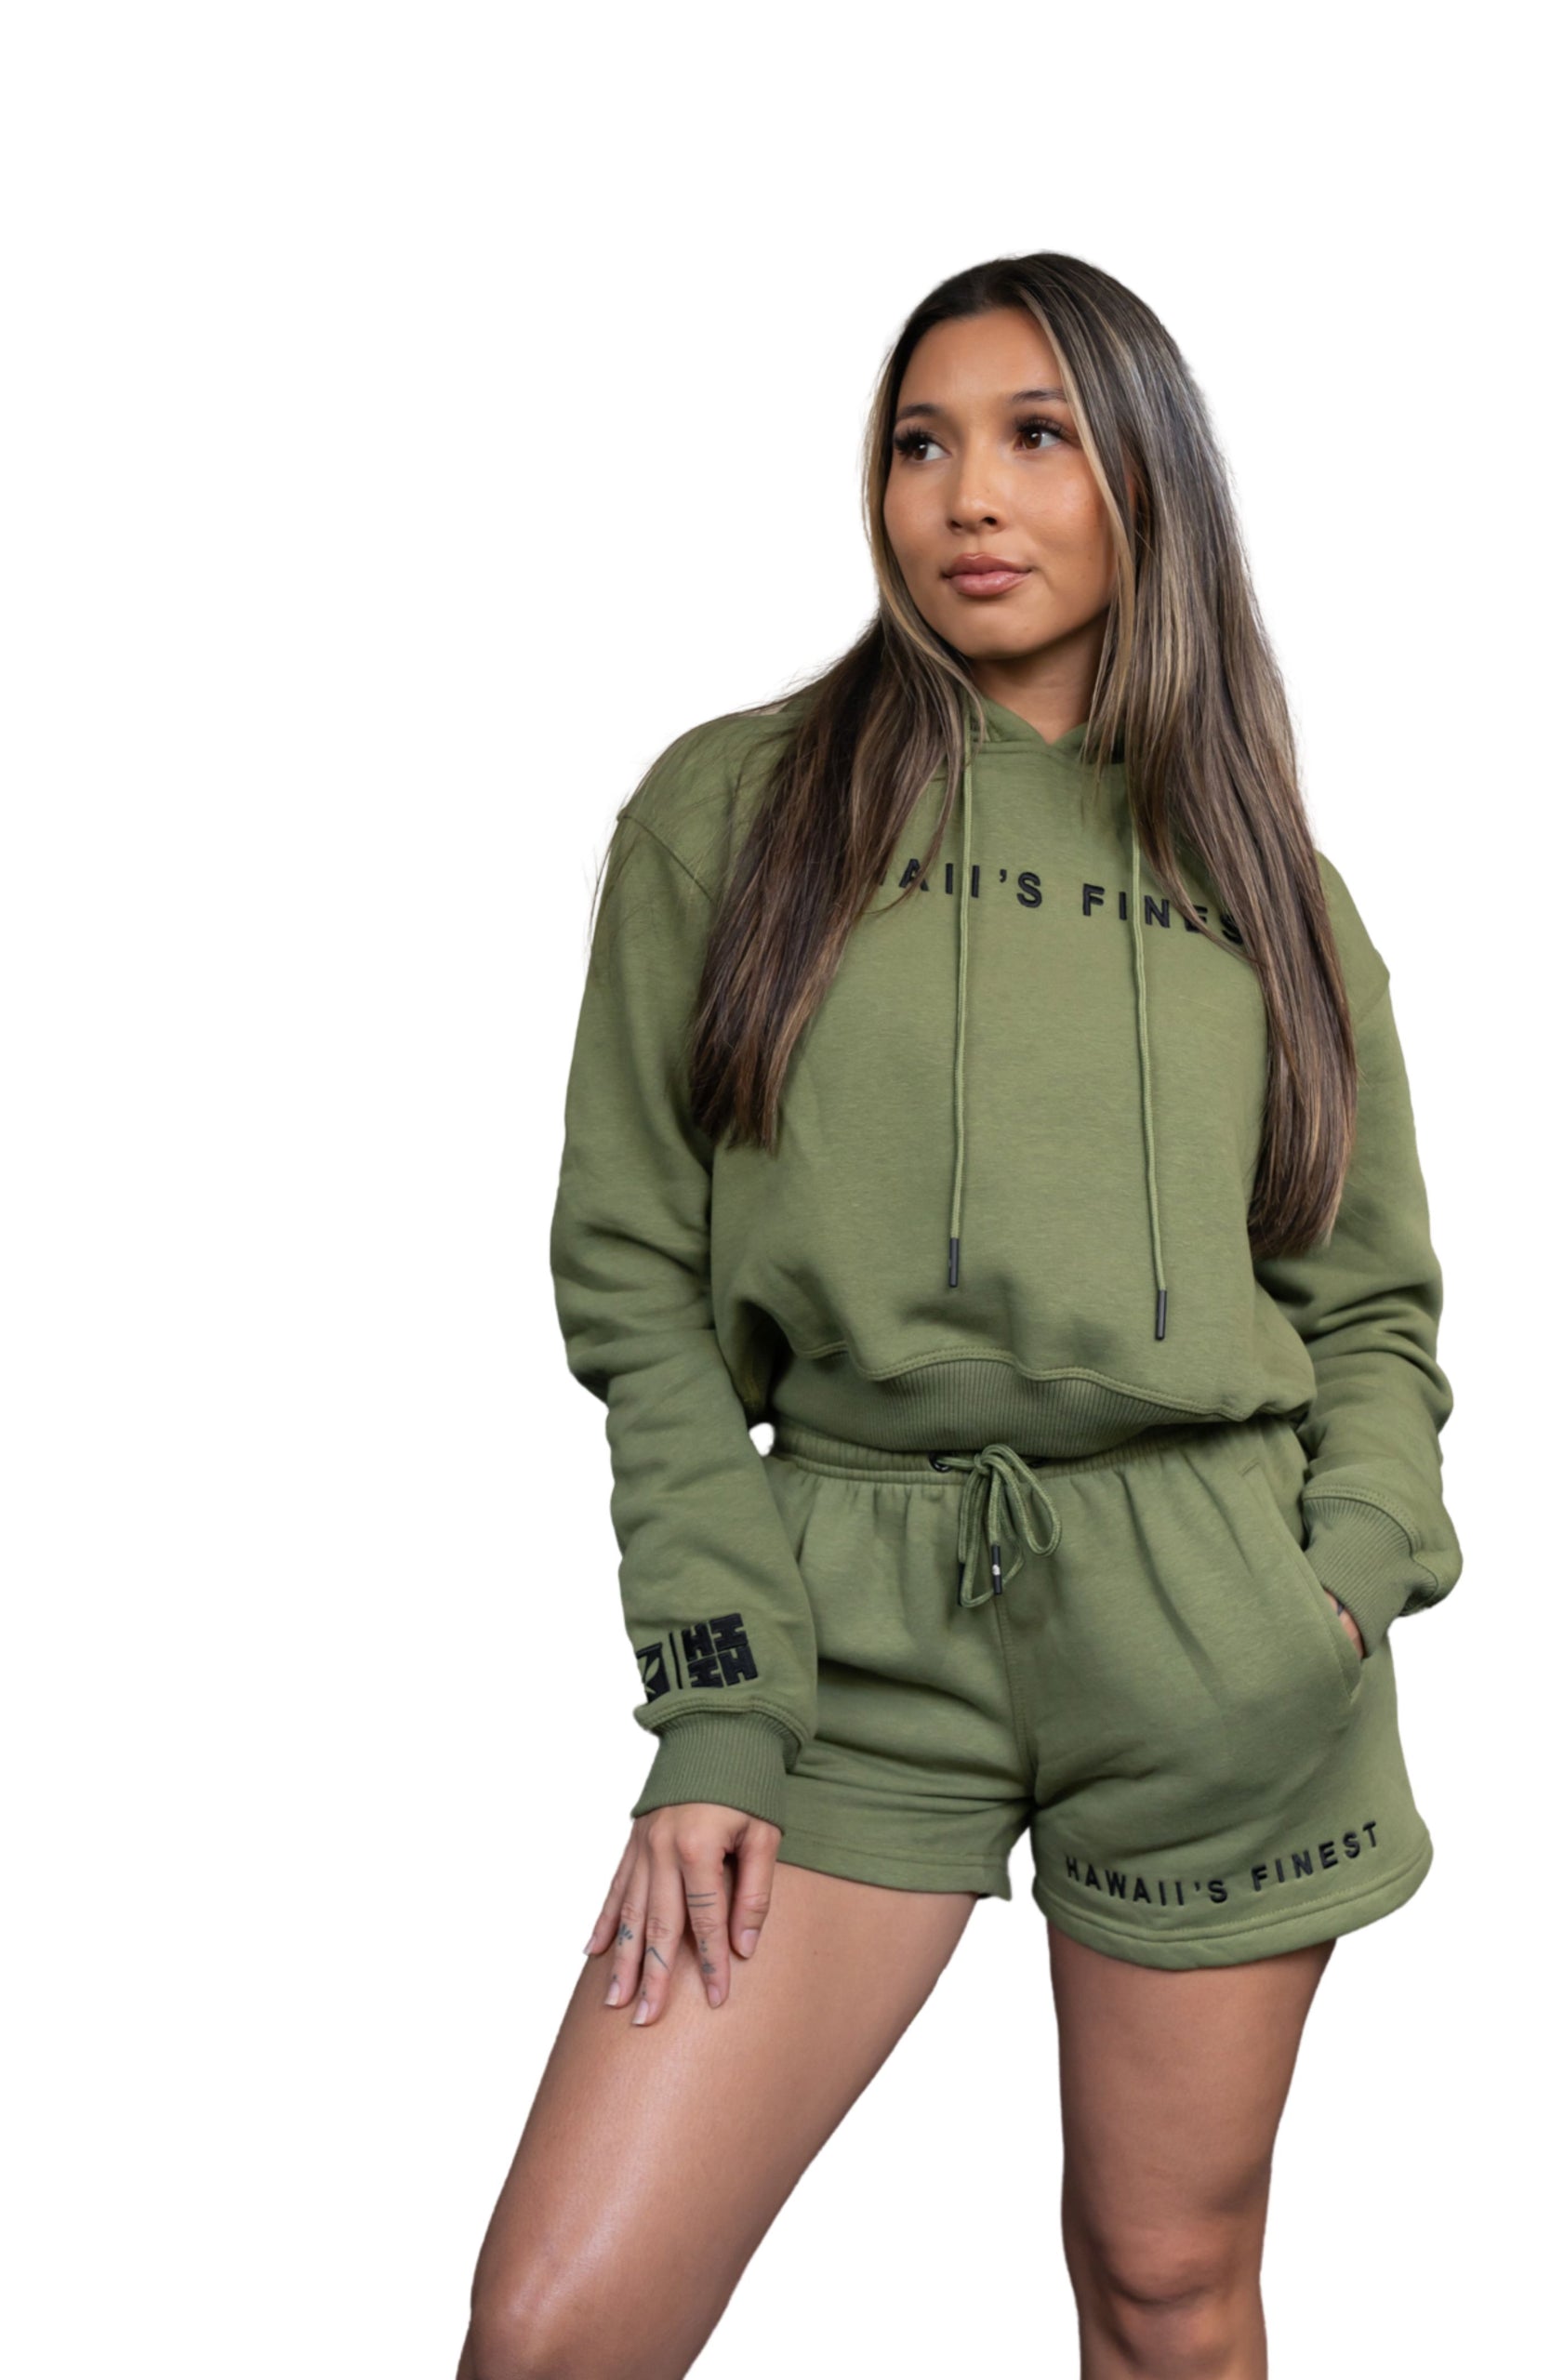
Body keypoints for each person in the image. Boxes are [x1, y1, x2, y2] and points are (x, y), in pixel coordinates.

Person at [458, 251, 1462, 2380]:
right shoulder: (732, 813)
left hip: (1212, 1631)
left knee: (1165, 2288)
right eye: (922, 441)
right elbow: (633, 1280)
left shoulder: (1269, 884)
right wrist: (713, 1695)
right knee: (558, 2328)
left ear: (1145, 484)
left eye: (1034, 438)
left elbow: (1367, 1297)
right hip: (843, 1622)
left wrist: (1342, 1574)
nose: (965, 495)